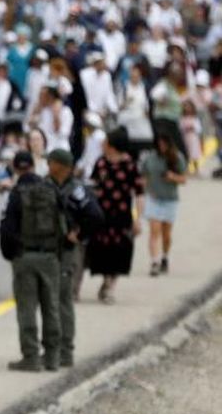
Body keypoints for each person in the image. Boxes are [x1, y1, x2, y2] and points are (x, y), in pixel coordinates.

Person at [0, 151, 61, 372]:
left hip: (24, 257)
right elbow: (64, 221)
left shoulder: (16, 194)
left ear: (15, 169)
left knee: (27, 308)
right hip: (50, 256)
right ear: (34, 166)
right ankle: (53, 356)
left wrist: (11, 254)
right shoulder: (51, 190)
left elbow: (6, 229)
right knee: (51, 306)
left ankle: (31, 356)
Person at [47, 148, 103, 367]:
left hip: (66, 252)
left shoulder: (77, 190)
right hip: (48, 250)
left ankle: (65, 350)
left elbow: (96, 216)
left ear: (60, 166)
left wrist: (79, 235)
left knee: (62, 301)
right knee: (49, 302)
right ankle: (51, 349)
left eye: (51, 162)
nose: (48, 166)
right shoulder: (46, 184)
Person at [86, 128, 145, 305]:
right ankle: (105, 279)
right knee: (101, 250)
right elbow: (93, 186)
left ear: (113, 145)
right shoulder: (101, 163)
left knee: (121, 251)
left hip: (121, 216)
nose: (102, 145)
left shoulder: (130, 166)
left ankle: (111, 286)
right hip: (101, 215)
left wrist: (138, 218)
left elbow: (139, 193)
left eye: (105, 142)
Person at [141, 131, 187, 276]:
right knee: (154, 231)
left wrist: (172, 177)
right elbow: (144, 177)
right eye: (159, 143)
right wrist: (142, 192)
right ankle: (154, 261)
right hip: (153, 198)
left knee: (166, 234)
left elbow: (184, 179)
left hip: (170, 199)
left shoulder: (177, 158)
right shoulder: (150, 158)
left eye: (164, 143)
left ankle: (164, 257)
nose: (161, 146)